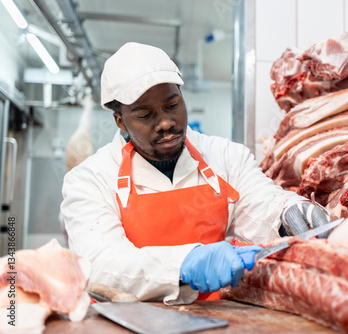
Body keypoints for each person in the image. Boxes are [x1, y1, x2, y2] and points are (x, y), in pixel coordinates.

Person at [60, 42, 331, 305]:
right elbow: (99, 263)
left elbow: (260, 203)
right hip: (126, 324)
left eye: (172, 105)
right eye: (145, 115)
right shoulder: (89, 180)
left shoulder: (224, 155)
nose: (165, 122)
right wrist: (185, 264)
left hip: (217, 318)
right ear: (120, 121)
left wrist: (289, 211)